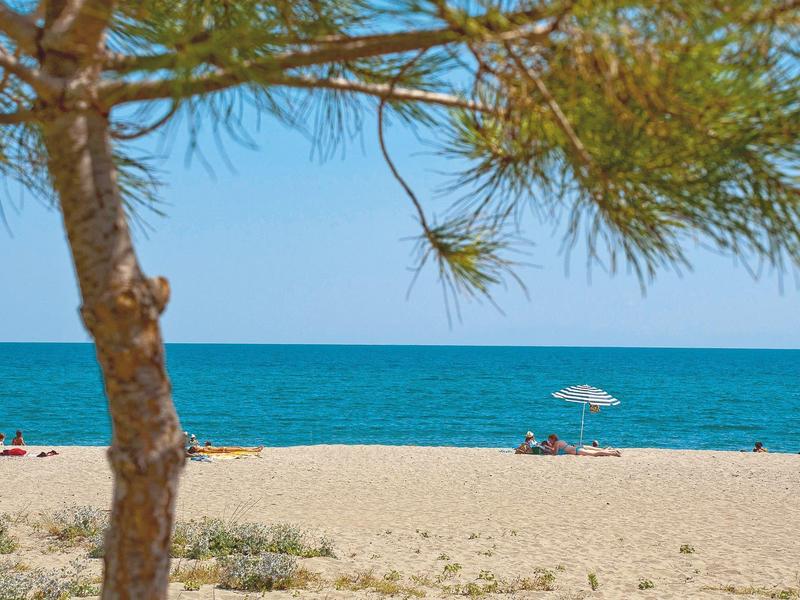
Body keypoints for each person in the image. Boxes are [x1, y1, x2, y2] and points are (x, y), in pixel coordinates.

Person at [544, 434, 620, 457]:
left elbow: (555, 453)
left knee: (593, 453)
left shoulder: (557, 443)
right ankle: (612, 451)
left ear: (552, 439)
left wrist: (547, 448)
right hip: (576, 448)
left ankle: (612, 453)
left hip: (576, 450)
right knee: (593, 451)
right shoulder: (561, 441)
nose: (549, 441)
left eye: (549, 439)